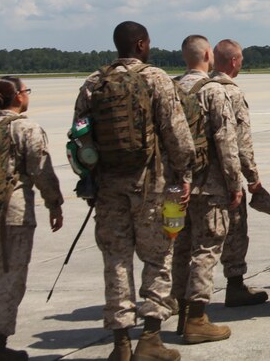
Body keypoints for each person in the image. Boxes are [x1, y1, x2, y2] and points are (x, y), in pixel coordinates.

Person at [74, 21, 194, 361]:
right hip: (154, 187)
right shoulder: (156, 79)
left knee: (116, 261)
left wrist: (92, 180)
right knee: (159, 256)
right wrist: (183, 177)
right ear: (140, 44)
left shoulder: (93, 83)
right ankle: (152, 338)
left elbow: (79, 138)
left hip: (109, 189)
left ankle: (121, 344)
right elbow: (177, 134)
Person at [0, 77, 63, 361]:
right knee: (8, 279)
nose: (27, 95)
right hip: (11, 216)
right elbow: (40, 170)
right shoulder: (26, 128)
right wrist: (54, 204)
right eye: (26, 91)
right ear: (18, 97)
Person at [170, 36, 241, 344]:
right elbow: (226, 141)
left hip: (174, 188)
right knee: (207, 248)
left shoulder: (168, 87)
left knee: (179, 248)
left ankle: (182, 315)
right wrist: (234, 183)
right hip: (208, 188)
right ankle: (198, 318)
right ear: (208, 55)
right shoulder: (214, 91)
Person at [212, 38, 270, 308]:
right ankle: (235, 287)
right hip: (224, 179)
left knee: (189, 240)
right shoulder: (230, 93)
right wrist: (252, 180)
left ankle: (182, 296)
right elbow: (240, 144)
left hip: (189, 181)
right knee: (234, 233)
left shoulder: (187, 86)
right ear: (234, 61)